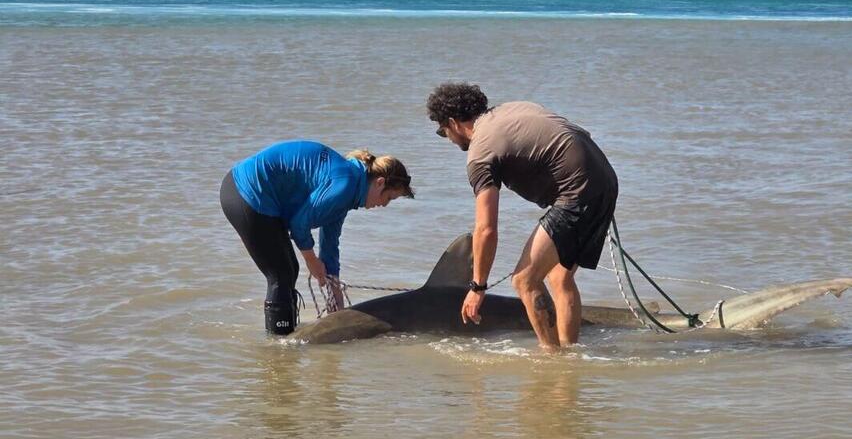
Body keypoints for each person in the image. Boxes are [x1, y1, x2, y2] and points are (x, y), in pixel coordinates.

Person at [426, 83, 618, 350]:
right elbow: (577, 133)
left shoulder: (480, 153)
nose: (447, 138)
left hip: (577, 192)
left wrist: (478, 287)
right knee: (559, 277)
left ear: (452, 123)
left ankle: (551, 359)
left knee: (525, 280)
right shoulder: (514, 108)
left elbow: (486, 229)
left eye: (442, 131)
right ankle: (570, 354)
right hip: (605, 179)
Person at [220, 140, 414, 335]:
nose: (385, 205)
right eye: (389, 198)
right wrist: (312, 261)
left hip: (255, 195)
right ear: (379, 183)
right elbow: (299, 224)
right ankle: (278, 348)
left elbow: (330, 244)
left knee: (289, 270)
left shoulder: (349, 188)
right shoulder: (344, 185)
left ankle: (287, 336)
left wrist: (335, 290)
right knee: (281, 275)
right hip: (247, 191)